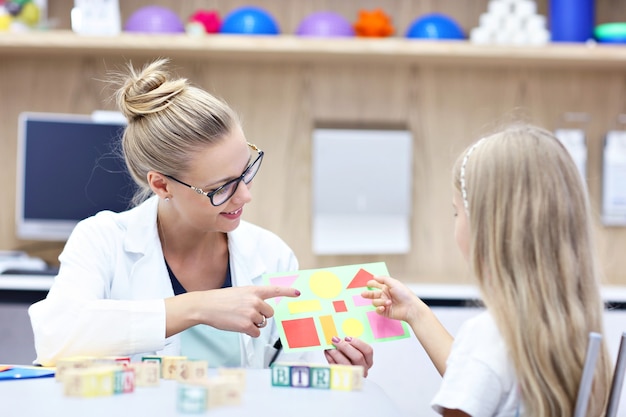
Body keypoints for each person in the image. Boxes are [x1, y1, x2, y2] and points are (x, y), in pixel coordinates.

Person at [29, 58, 373, 375]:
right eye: (221, 187)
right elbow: (55, 337)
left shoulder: (271, 254)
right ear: (162, 185)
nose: (245, 195)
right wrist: (198, 308)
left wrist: (337, 371)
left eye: (246, 172)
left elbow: (291, 376)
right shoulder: (102, 239)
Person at [362, 124, 612, 416]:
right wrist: (416, 312)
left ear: (486, 227)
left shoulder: (489, 336)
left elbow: (480, 369)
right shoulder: (567, 326)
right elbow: (483, 377)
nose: (455, 223)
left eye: (457, 212)